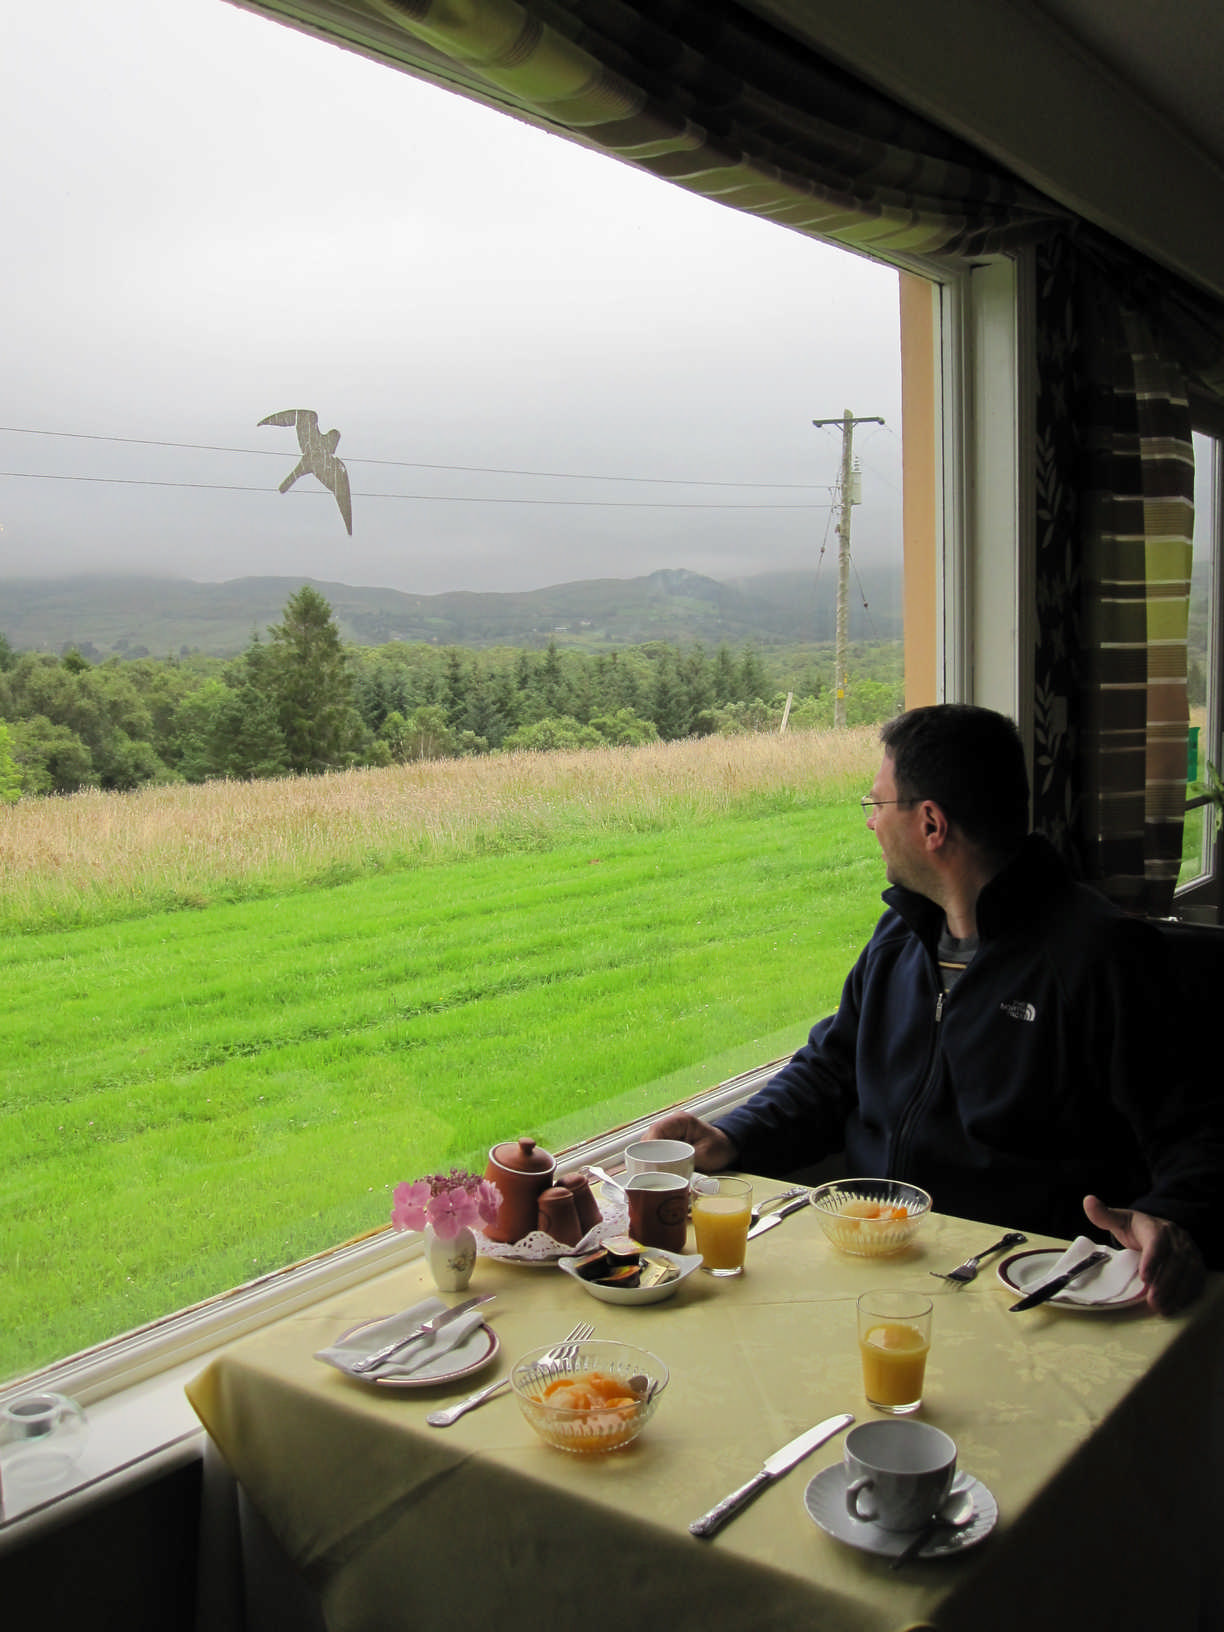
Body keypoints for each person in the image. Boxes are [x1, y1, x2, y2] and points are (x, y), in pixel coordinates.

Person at [650, 704, 1220, 1315]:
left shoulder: (1100, 958)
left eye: (876, 804)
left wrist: (1173, 1216)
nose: (871, 823)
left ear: (931, 824)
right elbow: (832, 1071)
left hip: (1021, 1283)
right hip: (877, 1257)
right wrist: (732, 1134)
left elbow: (1201, 1129)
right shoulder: (900, 938)